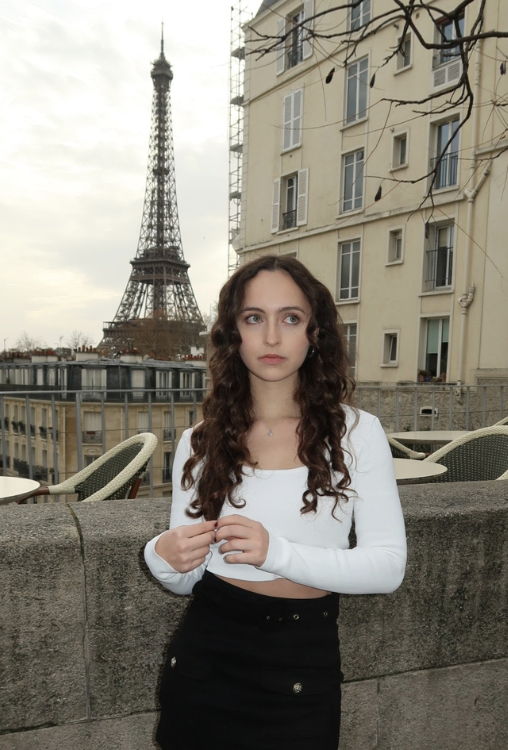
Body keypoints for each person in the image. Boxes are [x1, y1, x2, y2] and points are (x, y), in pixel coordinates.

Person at [145, 254, 407, 749]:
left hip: (300, 667)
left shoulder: (355, 433)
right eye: (253, 318)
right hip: (206, 660)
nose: (270, 337)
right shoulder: (201, 440)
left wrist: (276, 553)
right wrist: (159, 555)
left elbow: (388, 567)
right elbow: (185, 581)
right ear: (232, 333)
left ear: (315, 334)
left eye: (290, 318)